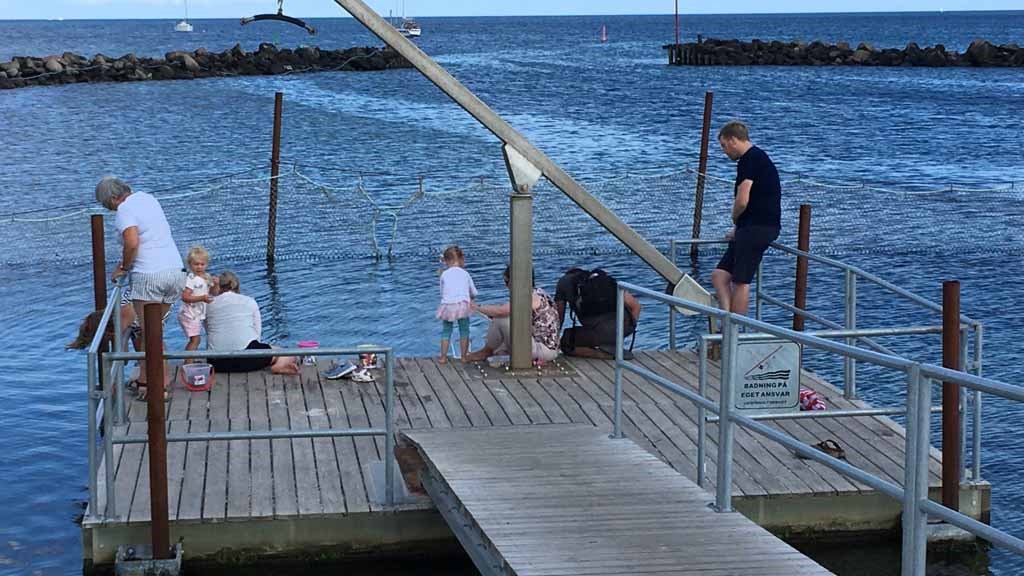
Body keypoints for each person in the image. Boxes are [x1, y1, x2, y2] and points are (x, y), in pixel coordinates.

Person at [97, 176, 185, 399]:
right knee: (152, 331)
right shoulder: (148, 198)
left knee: (150, 334)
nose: (110, 209)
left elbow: (132, 241)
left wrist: (123, 268)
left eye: (108, 205)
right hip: (175, 272)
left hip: (149, 275)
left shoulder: (124, 209)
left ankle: (159, 388)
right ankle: (148, 381)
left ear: (114, 198)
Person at [711, 121, 781, 316]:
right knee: (719, 275)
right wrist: (739, 227)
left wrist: (734, 219)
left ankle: (735, 331)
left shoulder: (750, 160)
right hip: (749, 226)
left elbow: (743, 199)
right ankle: (726, 320)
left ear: (733, 140)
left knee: (741, 282)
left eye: (724, 146)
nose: (724, 152)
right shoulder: (753, 159)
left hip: (759, 228)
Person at [204, 271, 299, 374]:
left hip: (216, 363)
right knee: (285, 353)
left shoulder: (208, 305)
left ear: (219, 287)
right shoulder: (249, 301)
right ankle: (279, 366)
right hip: (249, 359)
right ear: (238, 287)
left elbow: (208, 331)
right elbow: (257, 334)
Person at [464, 266, 560, 364]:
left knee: (501, 319)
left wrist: (476, 307)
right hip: (544, 347)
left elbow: (501, 311)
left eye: (506, 282)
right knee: (499, 346)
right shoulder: (539, 292)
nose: (506, 286)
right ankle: (491, 351)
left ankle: (485, 352)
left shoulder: (532, 298)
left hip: (543, 350)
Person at [554, 268, 642, 358]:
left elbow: (558, 318)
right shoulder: (603, 281)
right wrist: (624, 332)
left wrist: (553, 340)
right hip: (623, 326)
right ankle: (610, 344)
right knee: (601, 332)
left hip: (600, 331)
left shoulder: (563, 283)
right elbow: (636, 306)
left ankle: (604, 354)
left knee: (566, 342)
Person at [436, 245, 477, 364]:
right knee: (464, 330)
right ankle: (464, 357)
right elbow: (473, 291)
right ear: (460, 259)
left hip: (448, 305)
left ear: (446, 261)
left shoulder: (444, 274)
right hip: (462, 305)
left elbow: (442, 292)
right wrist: (472, 298)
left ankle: (443, 357)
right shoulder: (465, 274)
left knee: (446, 330)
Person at [179, 246, 214, 359]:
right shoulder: (191, 279)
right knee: (195, 339)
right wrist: (202, 298)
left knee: (197, 339)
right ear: (190, 264)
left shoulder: (206, 277)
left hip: (198, 314)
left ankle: (190, 359)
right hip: (190, 314)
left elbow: (212, 292)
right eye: (196, 264)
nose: (199, 267)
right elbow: (185, 297)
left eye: (202, 264)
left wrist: (215, 285)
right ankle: (187, 363)